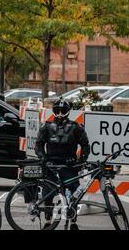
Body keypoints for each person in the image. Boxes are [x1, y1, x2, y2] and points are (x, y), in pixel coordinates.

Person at [35, 97, 90, 230]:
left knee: (73, 192)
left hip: (69, 165)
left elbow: (85, 145)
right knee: (47, 192)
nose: (60, 114)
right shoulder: (46, 127)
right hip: (51, 165)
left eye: (63, 111)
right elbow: (39, 145)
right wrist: (43, 158)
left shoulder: (76, 127)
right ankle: (48, 220)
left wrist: (80, 161)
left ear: (67, 111)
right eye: (57, 111)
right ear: (54, 111)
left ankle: (73, 222)